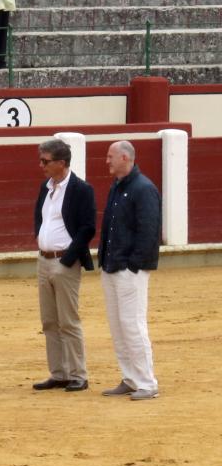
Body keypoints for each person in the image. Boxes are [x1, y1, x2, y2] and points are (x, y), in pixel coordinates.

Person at [99, 141, 161, 400]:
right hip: (112, 266)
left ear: (125, 157)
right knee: (118, 326)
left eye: (111, 156)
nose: (107, 161)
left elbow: (149, 230)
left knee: (133, 325)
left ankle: (147, 382)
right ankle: (130, 377)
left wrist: (134, 265)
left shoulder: (143, 188)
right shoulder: (118, 186)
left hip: (128, 269)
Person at [32, 139, 96, 393]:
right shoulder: (45, 188)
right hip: (44, 260)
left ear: (61, 162)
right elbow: (40, 218)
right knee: (49, 321)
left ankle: (78, 374)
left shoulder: (81, 189)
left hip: (64, 262)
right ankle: (58, 373)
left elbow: (87, 227)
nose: (41, 165)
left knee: (68, 320)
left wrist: (68, 259)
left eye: (45, 161)